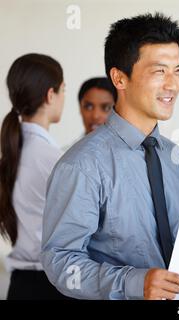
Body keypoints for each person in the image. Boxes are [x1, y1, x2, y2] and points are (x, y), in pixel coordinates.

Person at [41, 13, 179, 300]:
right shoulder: (82, 165)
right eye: (159, 71)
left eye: (177, 71)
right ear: (119, 78)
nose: (173, 85)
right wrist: (133, 283)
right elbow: (62, 263)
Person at [0, 53, 68, 300]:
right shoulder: (53, 159)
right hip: (50, 287)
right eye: (63, 90)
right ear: (51, 95)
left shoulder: (12, 151)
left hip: (20, 286)